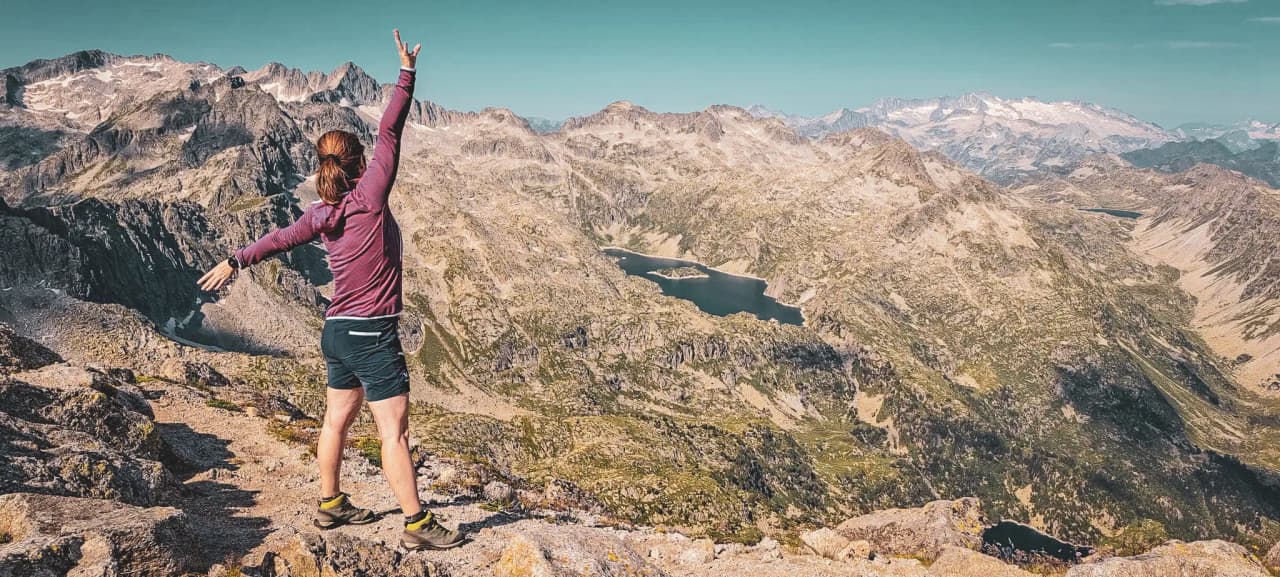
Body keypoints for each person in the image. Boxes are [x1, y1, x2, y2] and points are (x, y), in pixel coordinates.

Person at [198, 29, 466, 552]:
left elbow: (277, 239)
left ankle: (331, 504)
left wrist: (235, 260)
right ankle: (416, 524)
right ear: (358, 163)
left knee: (336, 422)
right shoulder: (370, 195)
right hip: (371, 334)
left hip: (336, 332)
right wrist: (407, 72)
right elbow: (391, 128)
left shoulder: (319, 215)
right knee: (394, 434)